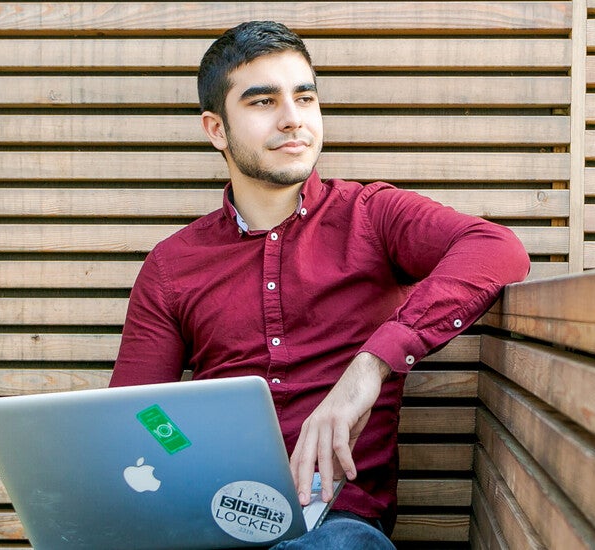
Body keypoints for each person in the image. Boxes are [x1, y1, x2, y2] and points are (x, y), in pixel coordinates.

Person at [109, 20, 530, 547]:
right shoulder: (172, 265)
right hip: (213, 522)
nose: (293, 118)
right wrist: (193, 457)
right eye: (264, 102)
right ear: (216, 130)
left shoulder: (371, 215)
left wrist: (373, 362)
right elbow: (136, 414)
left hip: (336, 525)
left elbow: (496, 249)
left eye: (305, 98)